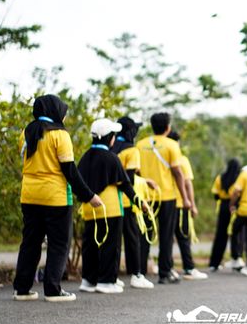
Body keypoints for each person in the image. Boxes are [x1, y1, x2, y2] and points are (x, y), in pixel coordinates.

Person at [13, 94, 103, 302]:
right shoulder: (60, 135)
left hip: (29, 195)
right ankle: (53, 290)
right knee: (59, 243)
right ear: (55, 111)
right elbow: (69, 170)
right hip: (55, 198)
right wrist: (89, 196)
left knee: (30, 243)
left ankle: (22, 289)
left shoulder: (25, 132)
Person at [78, 118, 150, 294]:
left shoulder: (85, 157)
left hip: (89, 209)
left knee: (90, 244)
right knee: (110, 245)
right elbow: (126, 185)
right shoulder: (111, 158)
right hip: (110, 209)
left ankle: (88, 281)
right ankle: (106, 282)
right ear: (109, 137)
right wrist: (140, 203)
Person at [136, 113, 191, 284]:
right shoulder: (172, 145)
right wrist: (185, 198)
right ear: (168, 127)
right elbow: (177, 173)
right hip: (167, 196)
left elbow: (136, 171)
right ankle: (164, 272)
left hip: (146, 197)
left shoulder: (140, 144)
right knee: (166, 236)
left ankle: (140, 273)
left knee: (145, 234)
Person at [111, 116, 154, 289]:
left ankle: (112, 276)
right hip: (127, 200)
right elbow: (128, 179)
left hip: (111, 200)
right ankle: (136, 274)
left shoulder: (111, 146)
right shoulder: (132, 150)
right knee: (133, 239)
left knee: (114, 241)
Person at [167, 130, 207, 280]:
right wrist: (192, 204)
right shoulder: (182, 160)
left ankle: (168, 268)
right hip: (180, 204)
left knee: (167, 238)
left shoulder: (159, 157)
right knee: (184, 237)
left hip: (164, 203)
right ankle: (189, 268)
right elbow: (188, 183)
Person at [208, 158, 241, 271]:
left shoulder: (220, 177)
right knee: (236, 234)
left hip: (223, 206)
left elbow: (216, 195)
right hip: (235, 207)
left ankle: (214, 263)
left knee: (221, 235)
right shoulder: (239, 178)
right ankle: (236, 259)